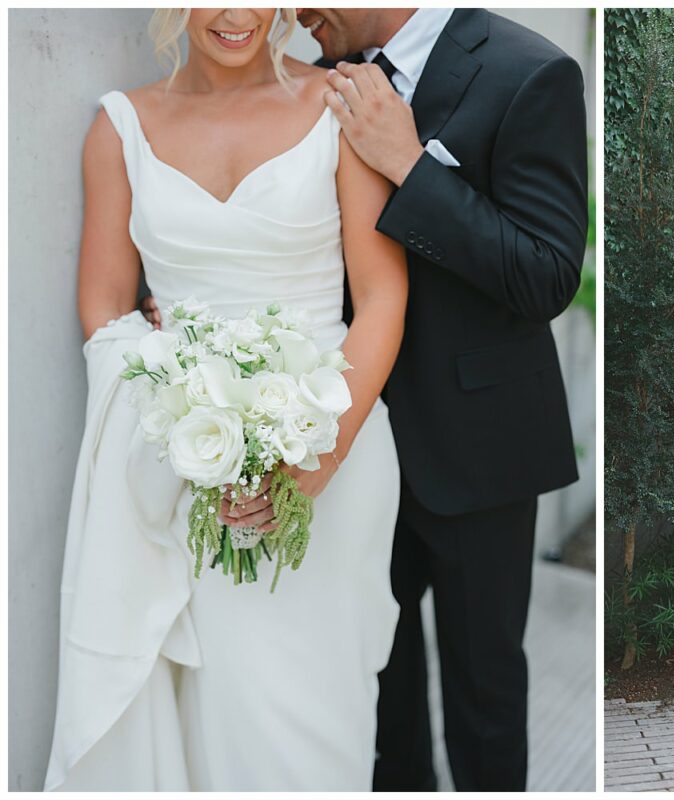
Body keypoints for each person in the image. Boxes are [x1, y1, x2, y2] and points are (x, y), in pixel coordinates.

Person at [45, 8, 408, 790]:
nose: (236, 14)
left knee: (322, 726)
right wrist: (188, 416)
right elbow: (105, 314)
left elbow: (380, 298)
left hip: (333, 459)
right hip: (193, 468)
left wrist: (321, 455)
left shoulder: (340, 107)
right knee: (220, 720)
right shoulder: (120, 129)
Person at [293, 8, 588, 791]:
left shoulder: (532, 72)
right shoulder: (317, 80)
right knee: (377, 682)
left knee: (483, 695)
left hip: (480, 449)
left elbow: (546, 276)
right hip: (349, 443)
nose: (293, 12)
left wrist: (411, 166)